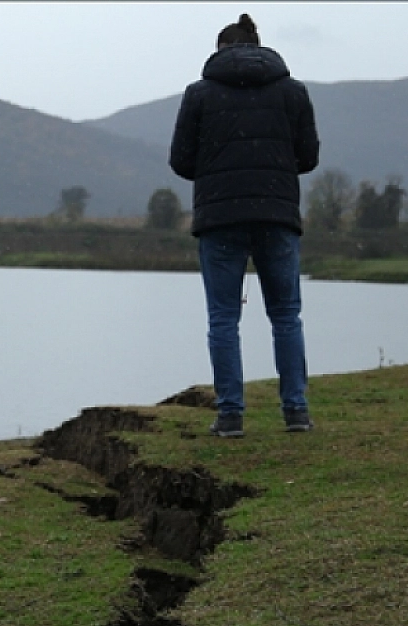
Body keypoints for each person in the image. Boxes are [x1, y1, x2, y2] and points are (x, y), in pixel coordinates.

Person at [169, 13, 320, 437]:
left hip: (220, 218)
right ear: (257, 46)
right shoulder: (293, 92)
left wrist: (218, 172)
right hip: (277, 214)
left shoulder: (199, 94)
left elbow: (181, 161)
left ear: (221, 50)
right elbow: (308, 157)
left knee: (223, 318)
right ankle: (296, 412)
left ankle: (231, 416)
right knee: (286, 315)